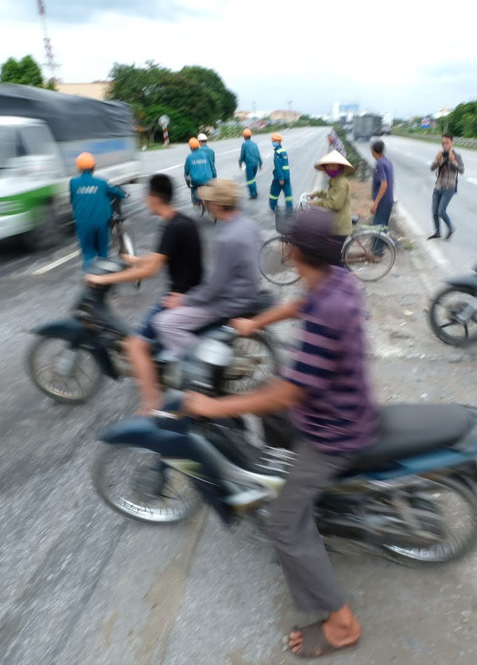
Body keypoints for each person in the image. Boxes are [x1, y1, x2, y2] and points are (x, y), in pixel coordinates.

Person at [183, 207, 376, 658]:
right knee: (269, 423)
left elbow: (287, 393)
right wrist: (255, 324)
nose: (283, 245)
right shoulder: (334, 278)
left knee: (283, 526)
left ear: (294, 250)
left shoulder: (328, 309)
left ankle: (342, 624)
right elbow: (298, 304)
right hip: (341, 404)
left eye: (286, 240)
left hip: (335, 428)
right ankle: (300, 498)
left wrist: (215, 405)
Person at [85, 173, 203, 414]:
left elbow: (151, 270)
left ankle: (151, 403)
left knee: (135, 345)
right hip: (194, 293)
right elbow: (162, 257)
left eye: (146, 196)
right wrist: (134, 260)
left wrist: (103, 278)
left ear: (153, 198)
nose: (145, 200)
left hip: (182, 300)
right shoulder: (181, 222)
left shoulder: (172, 228)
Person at [153, 178, 261, 355]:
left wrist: (183, 300)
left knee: (164, 323)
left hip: (229, 302)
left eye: (209, 202)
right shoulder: (248, 225)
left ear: (218, 205)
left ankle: (203, 364)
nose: (207, 205)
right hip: (246, 292)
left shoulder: (227, 238)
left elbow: (214, 287)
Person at [69, 153, 127, 269]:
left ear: (78, 168)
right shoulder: (101, 182)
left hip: (83, 223)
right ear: (94, 167)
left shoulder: (73, 183)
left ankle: (90, 279)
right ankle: (104, 278)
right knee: (103, 252)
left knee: (88, 254)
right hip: (101, 222)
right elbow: (116, 192)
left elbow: (72, 200)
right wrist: (124, 194)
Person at [308, 149, 353, 261]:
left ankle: (346, 276)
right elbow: (329, 194)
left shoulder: (341, 183)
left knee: (334, 259)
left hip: (339, 225)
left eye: (331, 166)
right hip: (334, 222)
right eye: (327, 166)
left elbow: (335, 204)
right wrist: (316, 193)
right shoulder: (335, 180)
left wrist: (316, 203)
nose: (328, 168)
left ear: (339, 166)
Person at [428, 133, 463, 240]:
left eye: (446, 143)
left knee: (441, 211)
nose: (444, 145)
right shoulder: (440, 154)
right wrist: (437, 160)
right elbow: (432, 168)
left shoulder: (457, 156)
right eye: (443, 143)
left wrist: (453, 161)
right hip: (438, 186)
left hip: (449, 187)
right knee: (434, 211)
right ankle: (437, 232)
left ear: (452, 142)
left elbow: (461, 170)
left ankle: (451, 228)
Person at [369, 140, 395, 257]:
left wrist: (375, 204)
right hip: (388, 199)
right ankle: (382, 249)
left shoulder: (379, 164)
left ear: (374, 151)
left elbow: (384, 185)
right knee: (383, 226)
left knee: (378, 227)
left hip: (383, 201)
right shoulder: (388, 162)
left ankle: (377, 252)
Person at [185, 137, 216, 206]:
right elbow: (212, 166)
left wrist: (187, 181)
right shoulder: (205, 154)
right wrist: (214, 177)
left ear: (190, 147)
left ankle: (196, 200)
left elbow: (186, 172)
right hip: (208, 178)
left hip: (196, 181)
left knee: (192, 185)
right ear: (199, 145)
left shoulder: (189, 157)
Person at [269, 133, 293, 215]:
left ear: (279, 141)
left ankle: (274, 207)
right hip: (287, 176)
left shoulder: (278, 152)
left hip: (279, 178)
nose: (273, 143)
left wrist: (280, 178)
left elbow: (278, 166)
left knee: (274, 193)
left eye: (274, 141)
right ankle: (290, 210)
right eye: (273, 141)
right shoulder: (283, 150)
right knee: (288, 194)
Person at [238, 128, 262, 199]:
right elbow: (258, 154)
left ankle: (253, 194)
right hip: (256, 164)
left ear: (244, 136)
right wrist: (260, 164)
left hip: (250, 165)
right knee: (252, 179)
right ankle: (255, 192)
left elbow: (242, 155)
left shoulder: (244, 145)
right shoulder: (254, 144)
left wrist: (240, 163)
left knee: (250, 180)